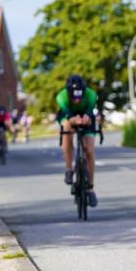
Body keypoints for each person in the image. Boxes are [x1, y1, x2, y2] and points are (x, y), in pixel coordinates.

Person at [56, 75, 99, 207]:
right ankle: (69, 169)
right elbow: (67, 116)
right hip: (69, 116)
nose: (76, 100)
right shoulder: (61, 97)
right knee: (67, 128)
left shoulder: (91, 96)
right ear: (68, 93)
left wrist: (86, 117)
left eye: (79, 97)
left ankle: (90, 188)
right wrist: (73, 120)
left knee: (89, 151)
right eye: (73, 97)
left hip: (86, 115)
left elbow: (89, 113)